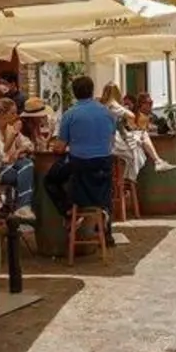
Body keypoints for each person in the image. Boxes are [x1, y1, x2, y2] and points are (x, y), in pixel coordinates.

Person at [46, 76, 117, 243]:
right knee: (104, 190)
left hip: (80, 166)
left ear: (74, 93)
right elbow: (111, 141)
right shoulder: (107, 113)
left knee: (50, 180)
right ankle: (107, 232)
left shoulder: (70, 115)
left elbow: (60, 147)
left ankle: (69, 211)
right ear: (92, 91)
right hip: (104, 164)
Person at [100, 83, 174, 173]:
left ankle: (156, 162)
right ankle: (157, 162)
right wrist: (124, 109)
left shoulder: (101, 106)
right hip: (113, 142)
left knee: (138, 144)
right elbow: (131, 116)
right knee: (140, 142)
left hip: (104, 140)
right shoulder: (113, 104)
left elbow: (118, 126)